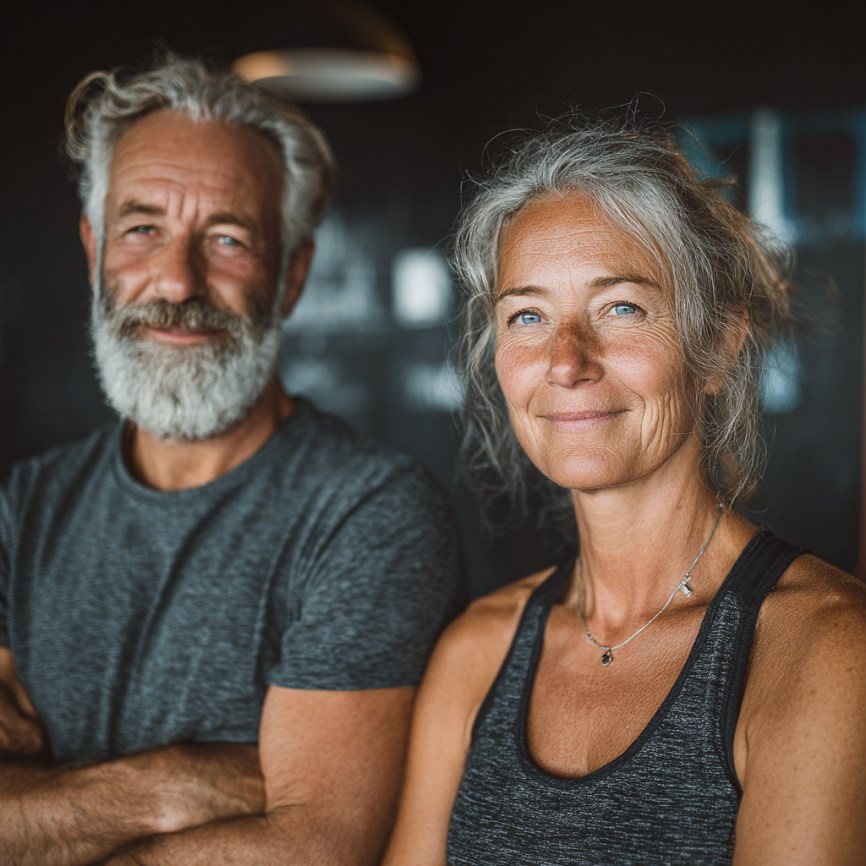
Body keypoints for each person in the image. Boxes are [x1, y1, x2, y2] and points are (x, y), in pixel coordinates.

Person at [0, 56, 466, 866]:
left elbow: (315, 847)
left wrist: (48, 812)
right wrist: (176, 787)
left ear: (290, 275)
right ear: (94, 249)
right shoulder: (23, 507)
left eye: (227, 238)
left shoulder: (372, 513)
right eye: (143, 228)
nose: (177, 280)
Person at [383, 116, 866, 865]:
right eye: (529, 316)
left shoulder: (825, 651)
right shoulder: (476, 653)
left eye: (621, 308)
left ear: (715, 350)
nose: (566, 362)